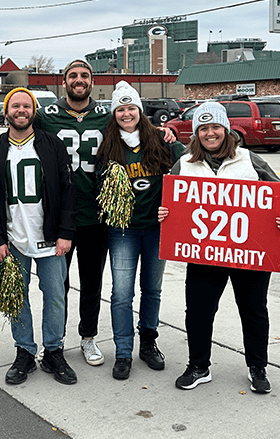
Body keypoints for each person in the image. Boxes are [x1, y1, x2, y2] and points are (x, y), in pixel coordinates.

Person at [34, 59, 175, 367]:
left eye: (84, 75)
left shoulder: (106, 116)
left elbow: (137, 127)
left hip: (97, 215)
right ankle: (53, 345)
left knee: (92, 282)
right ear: (64, 82)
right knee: (56, 285)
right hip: (59, 215)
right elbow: (16, 133)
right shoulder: (46, 116)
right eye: (73, 75)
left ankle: (88, 336)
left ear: (92, 81)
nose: (79, 80)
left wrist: (165, 131)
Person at [158, 101, 280, 394]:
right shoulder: (186, 164)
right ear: (196, 133)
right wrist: (165, 214)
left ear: (226, 129)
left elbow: (278, 194)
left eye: (215, 127)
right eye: (203, 128)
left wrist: (278, 218)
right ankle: (198, 365)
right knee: (199, 311)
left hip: (248, 252)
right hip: (205, 253)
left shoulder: (249, 159)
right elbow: (171, 200)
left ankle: (257, 366)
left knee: (254, 310)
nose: (210, 133)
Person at [0, 88, 78, 385]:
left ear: (33, 110)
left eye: (26, 106)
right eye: (15, 106)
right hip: (13, 240)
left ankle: (53, 350)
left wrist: (65, 233)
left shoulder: (52, 144)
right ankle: (24, 350)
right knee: (16, 298)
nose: (20, 110)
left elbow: (67, 190)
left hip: (49, 238)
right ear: (7, 111)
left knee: (56, 296)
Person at [96, 81, 185, 380]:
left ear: (140, 110)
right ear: (114, 113)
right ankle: (123, 351)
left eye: (131, 107)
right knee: (121, 294)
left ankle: (148, 343)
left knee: (152, 289)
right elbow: (99, 185)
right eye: (120, 109)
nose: (126, 113)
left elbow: (192, 162)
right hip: (123, 230)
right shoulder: (108, 144)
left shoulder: (161, 140)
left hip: (157, 227)